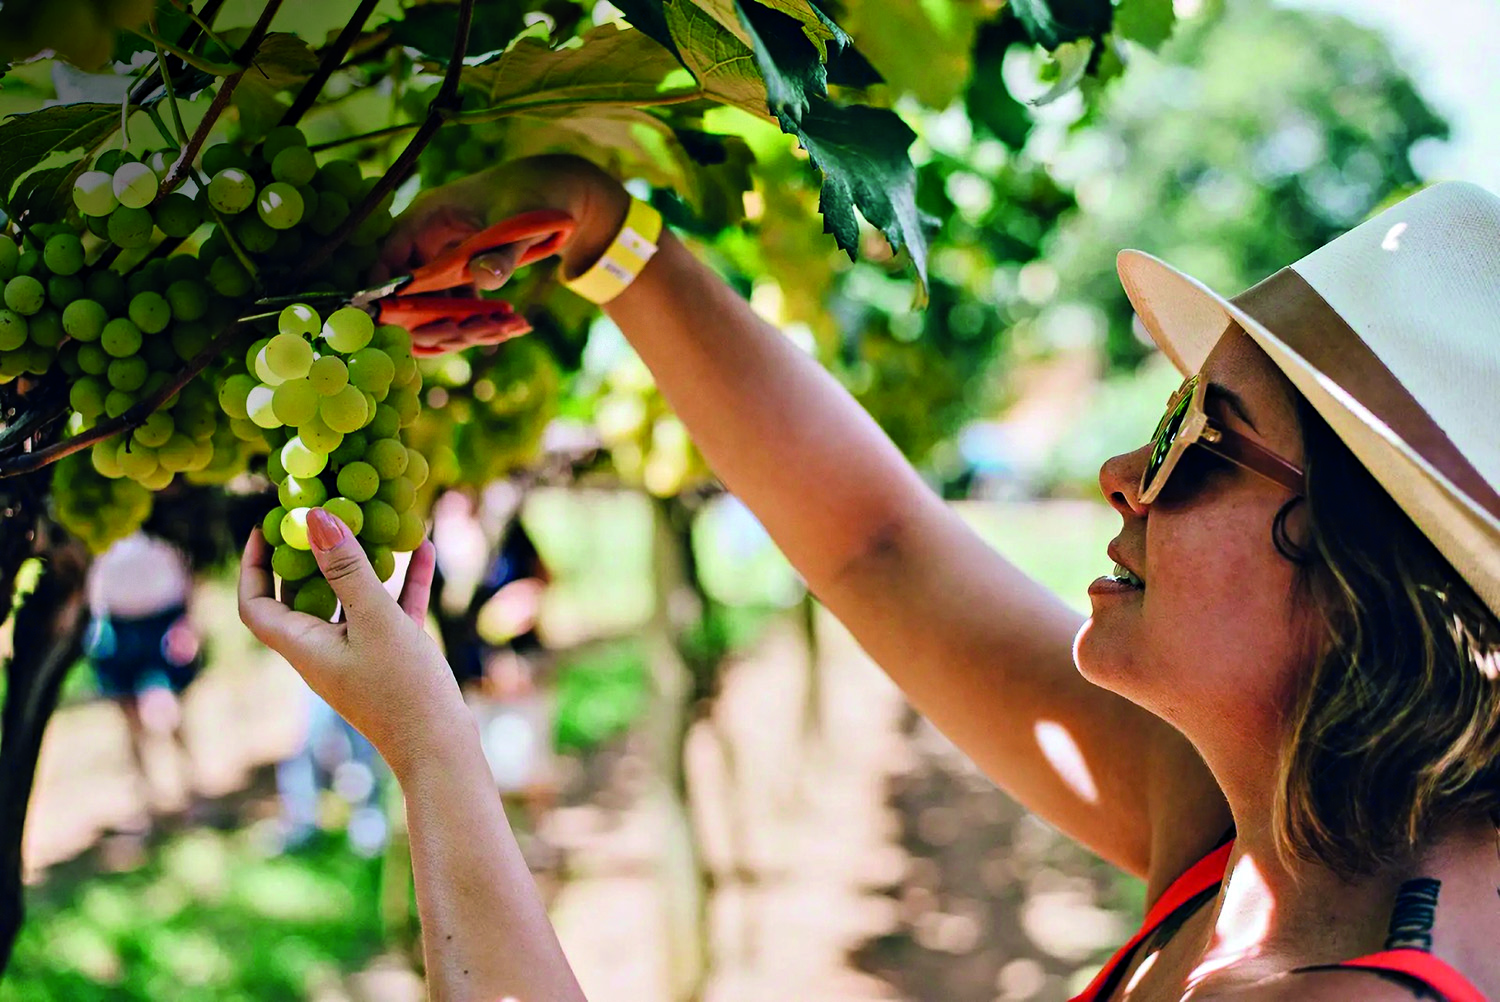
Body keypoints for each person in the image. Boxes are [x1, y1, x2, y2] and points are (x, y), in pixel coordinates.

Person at [239, 160, 1500, 1002]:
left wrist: (433, 751)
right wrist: (606, 231)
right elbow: (873, 544)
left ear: (1366, 573)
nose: (1125, 467)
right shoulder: (1272, 839)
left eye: (1195, 441)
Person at [85, 529, 202, 828]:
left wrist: (188, 621)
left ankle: (190, 793)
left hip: (162, 619)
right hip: (116, 624)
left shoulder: (164, 517)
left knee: (170, 713)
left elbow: (186, 563)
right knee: (130, 721)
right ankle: (146, 802)